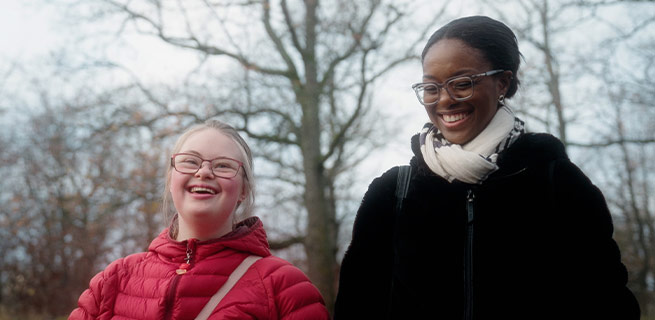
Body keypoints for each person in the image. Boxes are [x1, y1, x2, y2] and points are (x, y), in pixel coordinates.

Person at [334, 16, 640, 319]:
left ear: (503, 82)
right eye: (431, 87)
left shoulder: (558, 182)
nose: (445, 100)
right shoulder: (392, 193)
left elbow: (608, 302)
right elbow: (357, 306)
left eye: (462, 84)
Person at [70, 120, 329, 319]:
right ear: (172, 180)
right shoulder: (113, 281)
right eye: (190, 161)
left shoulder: (286, 287)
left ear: (243, 190)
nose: (203, 172)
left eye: (223, 166)